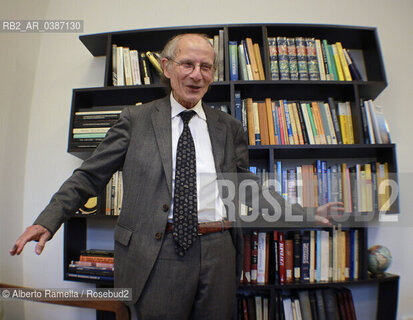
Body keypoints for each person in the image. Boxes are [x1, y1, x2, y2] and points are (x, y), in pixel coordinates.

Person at [10, 33, 343, 319]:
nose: (196, 75)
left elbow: (247, 190)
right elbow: (89, 176)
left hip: (217, 250)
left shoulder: (229, 127)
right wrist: (49, 219)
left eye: (206, 67)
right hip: (157, 252)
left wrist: (307, 213)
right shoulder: (135, 120)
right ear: (167, 67)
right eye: (188, 64)